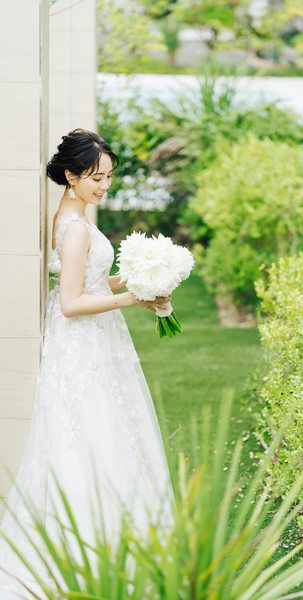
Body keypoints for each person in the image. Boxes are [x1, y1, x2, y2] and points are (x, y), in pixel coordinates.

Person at [0, 129, 175, 598]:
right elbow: (72, 303)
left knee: (101, 431)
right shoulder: (75, 228)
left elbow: (88, 281)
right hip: (81, 344)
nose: (105, 186)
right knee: (91, 434)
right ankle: (89, 551)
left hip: (90, 341)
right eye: (96, 178)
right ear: (72, 176)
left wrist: (138, 278)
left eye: (109, 177)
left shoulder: (71, 217)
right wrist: (134, 299)